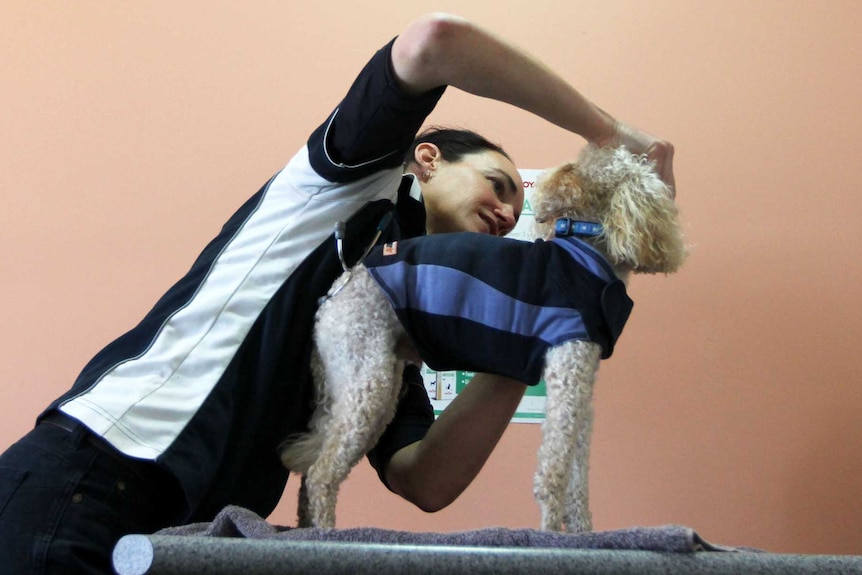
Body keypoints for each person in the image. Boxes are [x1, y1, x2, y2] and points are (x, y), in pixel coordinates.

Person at [0, 12, 675, 574]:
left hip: (191, 538)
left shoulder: (402, 320)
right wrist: (608, 137)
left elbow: (424, 480)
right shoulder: (353, 176)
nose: (506, 215)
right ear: (428, 159)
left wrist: (533, 334)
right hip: (94, 483)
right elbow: (435, 41)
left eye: (516, 210)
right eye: (499, 185)